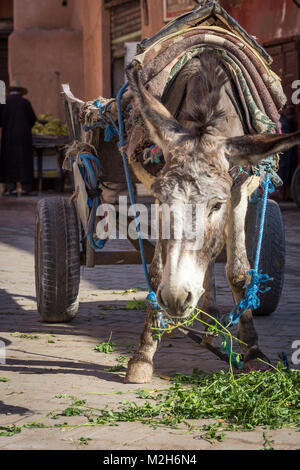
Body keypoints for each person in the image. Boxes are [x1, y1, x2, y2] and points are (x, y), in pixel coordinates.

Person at [0, 80, 36, 196]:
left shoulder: (4, 103)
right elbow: (33, 119)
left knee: (9, 161)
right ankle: (26, 188)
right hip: (24, 138)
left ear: (10, 92)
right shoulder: (25, 103)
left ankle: (11, 188)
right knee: (24, 161)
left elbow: (1, 121)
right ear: (20, 92)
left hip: (9, 138)